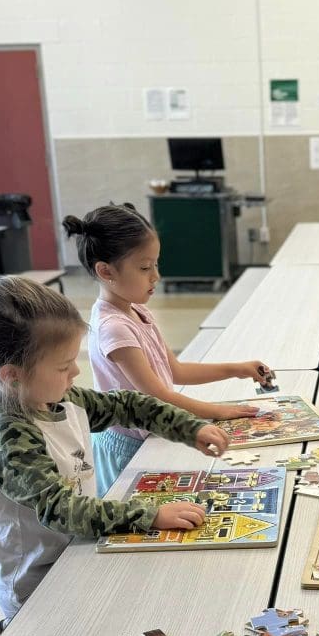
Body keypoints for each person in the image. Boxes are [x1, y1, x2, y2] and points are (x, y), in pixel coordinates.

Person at [0, 276, 229, 633]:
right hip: (36, 582)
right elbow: (63, 510)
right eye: (63, 366)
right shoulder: (8, 433)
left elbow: (126, 404)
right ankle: (9, 628)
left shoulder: (55, 396)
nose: (75, 372)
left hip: (77, 549)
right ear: (12, 376)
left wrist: (189, 427)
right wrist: (150, 515)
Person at [64, 202, 273, 495]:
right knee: (133, 520)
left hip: (156, 429)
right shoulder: (114, 327)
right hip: (129, 445)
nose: (156, 276)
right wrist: (219, 412)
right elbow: (158, 395)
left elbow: (175, 371)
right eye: (144, 268)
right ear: (106, 271)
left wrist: (237, 369)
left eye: (156, 265)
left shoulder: (137, 310)